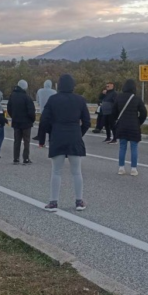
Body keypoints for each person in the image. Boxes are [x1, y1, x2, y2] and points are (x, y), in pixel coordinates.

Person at [38, 74, 91, 212]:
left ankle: (53, 202)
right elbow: (87, 122)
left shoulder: (53, 99)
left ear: (59, 85)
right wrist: (79, 133)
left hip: (58, 136)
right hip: (74, 136)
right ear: (73, 85)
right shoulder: (80, 100)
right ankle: (79, 202)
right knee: (76, 172)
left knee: (56, 171)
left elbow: (44, 121)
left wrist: (48, 134)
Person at [113, 79, 147, 176]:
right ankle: (133, 169)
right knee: (134, 147)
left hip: (122, 125)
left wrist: (117, 121)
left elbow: (114, 112)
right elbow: (144, 113)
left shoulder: (118, 97)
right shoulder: (137, 98)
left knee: (122, 147)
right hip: (134, 126)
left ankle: (121, 168)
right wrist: (138, 121)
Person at [7, 79, 36, 164]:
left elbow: (9, 108)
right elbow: (31, 111)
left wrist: (14, 116)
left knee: (17, 141)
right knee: (26, 141)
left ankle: (16, 158)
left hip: (16, 121)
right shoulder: (27, 98)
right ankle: (26, 158)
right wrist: (32, 119)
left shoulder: (12, 96)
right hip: (26, 123)